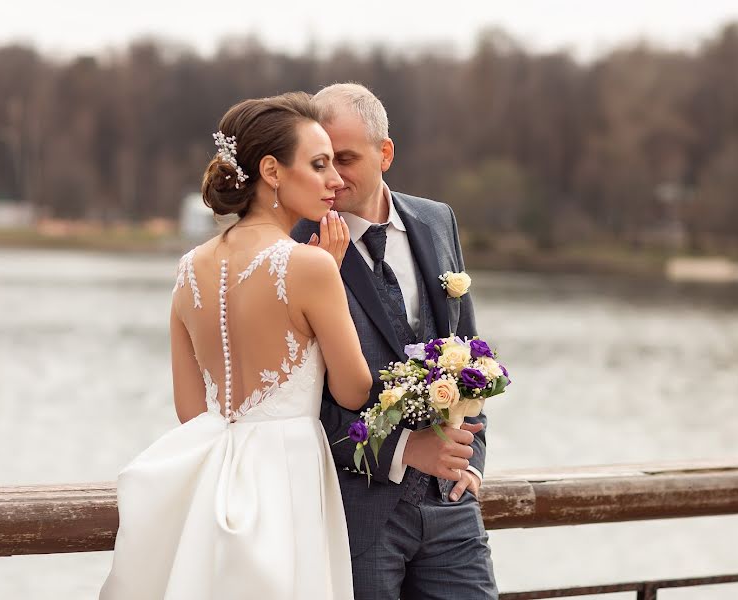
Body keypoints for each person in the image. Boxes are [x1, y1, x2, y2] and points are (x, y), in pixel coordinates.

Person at [100, 92, 372, 600]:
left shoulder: (188, 269)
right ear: (271, 170)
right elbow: (355, 389)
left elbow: (189, 410)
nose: (335, 179)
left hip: (212, 482)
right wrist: (329, 274)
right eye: (319, 164)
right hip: (286, 478)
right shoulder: (311, 266)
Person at [292, 83, 499, 599]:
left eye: (346, 158)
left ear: (385, 152)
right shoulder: (295, 247)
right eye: (320, 162)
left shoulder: (436, 220)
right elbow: (294, 401)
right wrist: (406, 449)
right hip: (357, 516)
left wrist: (469, 461)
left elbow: (471, 353)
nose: (333, 177)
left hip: (451, 509)